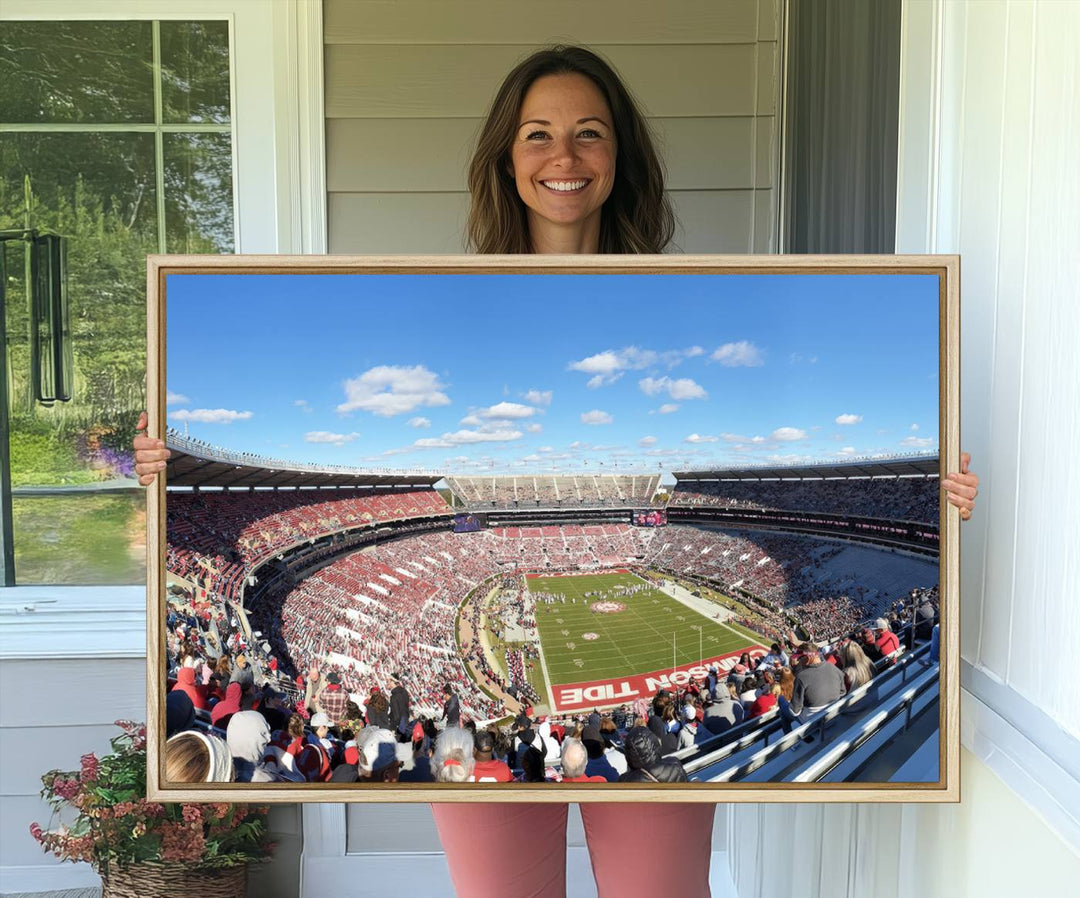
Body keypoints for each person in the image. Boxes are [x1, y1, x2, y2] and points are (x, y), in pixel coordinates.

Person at [134, 42, 980, 898]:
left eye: (589, 133)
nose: (563, 157)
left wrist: (936, 503)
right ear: (506, 157)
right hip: (494, 752)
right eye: (537, 134)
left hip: (641, 758)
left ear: (621, 158)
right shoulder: (439, 302)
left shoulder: (689, 296)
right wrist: (161, 479)